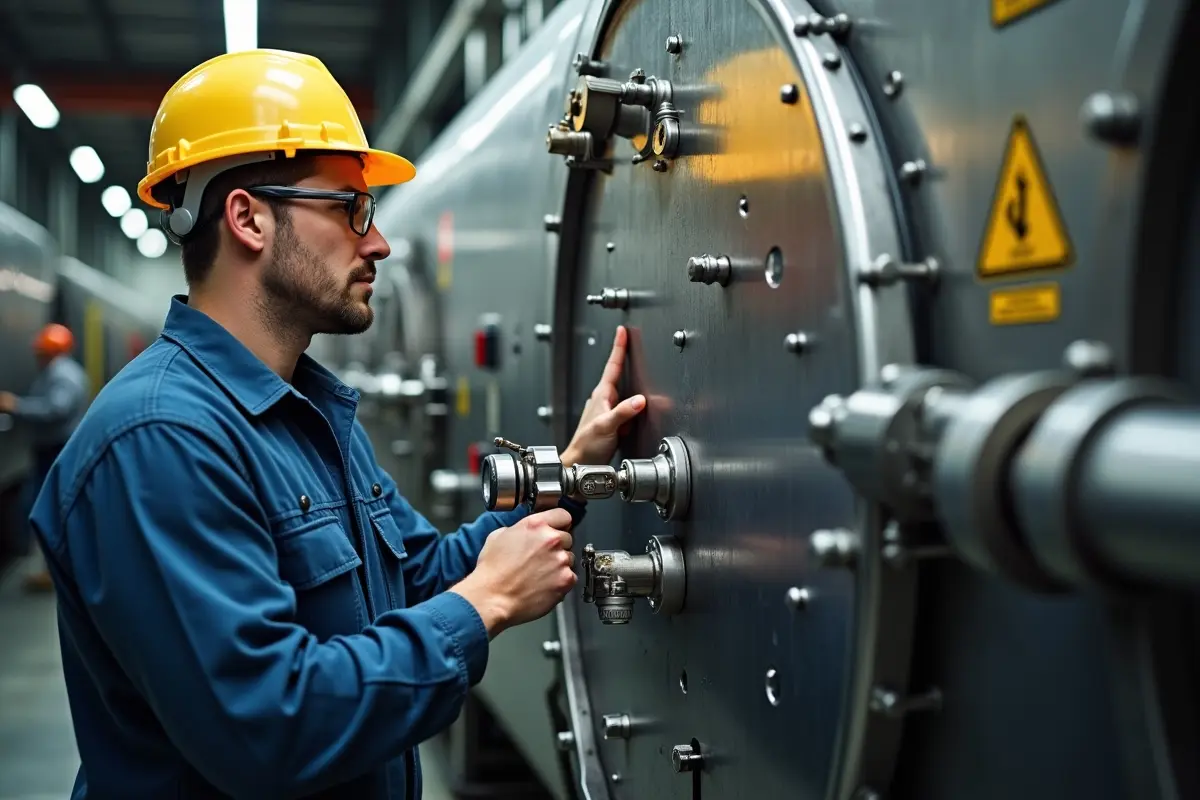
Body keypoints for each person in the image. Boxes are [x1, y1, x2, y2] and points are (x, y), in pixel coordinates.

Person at [29, 49, 647, 800]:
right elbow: (267, 726)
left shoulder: (313, 413)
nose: (378, 242)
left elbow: (416, 577)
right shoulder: (159, 440)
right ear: (248, 218)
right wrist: (482, 605)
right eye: (351, 208)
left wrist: (570, 473)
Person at [0, 322, 88, 593]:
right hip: (52, 449)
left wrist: (16, 405)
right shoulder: (64, 371)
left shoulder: (62, 375)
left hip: (55, 449)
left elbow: (56, 409)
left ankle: (52, 570)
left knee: (49, 508)